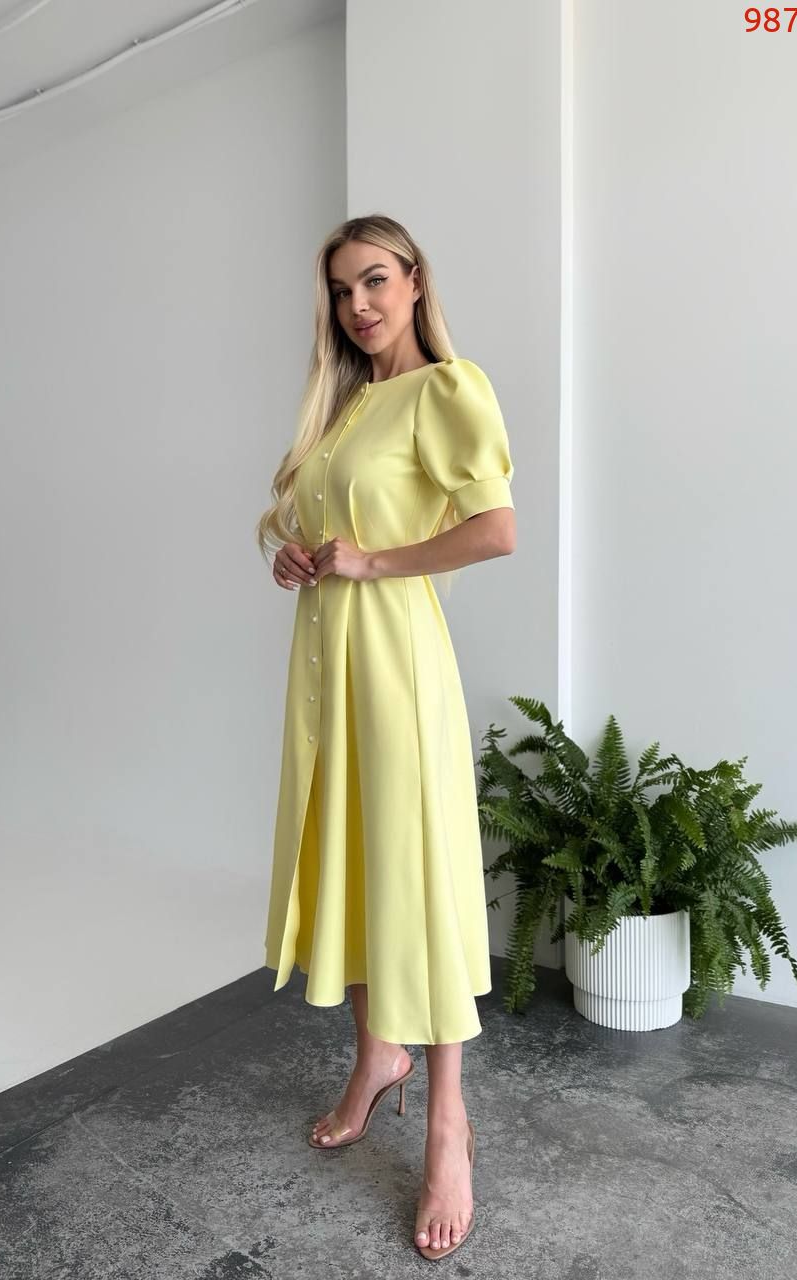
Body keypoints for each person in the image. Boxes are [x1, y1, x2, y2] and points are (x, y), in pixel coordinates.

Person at [255, 213, 516, 1260]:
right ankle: (377, 1055)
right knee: (351, 863)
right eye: (341, 290)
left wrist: (371, 563)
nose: (357, 305)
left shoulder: (446, 390)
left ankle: (448, 1123)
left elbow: (495, 528)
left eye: (373, 280)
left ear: (413, 281)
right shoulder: (347, 407)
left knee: (415, 877)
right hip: (329, 670)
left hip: (399, 668)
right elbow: (322, 527)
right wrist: (298, 554)